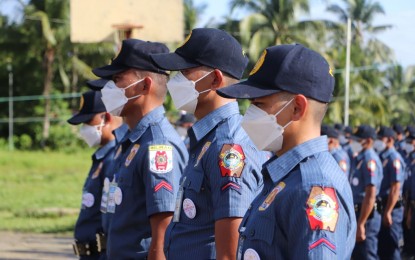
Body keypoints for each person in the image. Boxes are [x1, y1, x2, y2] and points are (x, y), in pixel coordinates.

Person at [217, 44, 357, 258]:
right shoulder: (288, 177)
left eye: (259, 104)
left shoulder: (312, 186)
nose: (250, 114)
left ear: (297, 108)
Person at [150, 28, 266, 259]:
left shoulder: (229, 147)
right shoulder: (208, 139)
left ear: (215, 79)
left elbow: (230, 253)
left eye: (186, 71)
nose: (176, 79)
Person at [92, 38, 188, 259]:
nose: (108, 88)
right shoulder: (134, 141)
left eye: (117, 79)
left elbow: (164, 222)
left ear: (144, 85)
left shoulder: (157, 145)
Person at [67, 90, 125, 259]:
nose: (84, 129)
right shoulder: (103, 157)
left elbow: (113, 215)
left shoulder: (115, 158)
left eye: (87, 122)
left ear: (106, 118)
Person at [349, 125, 383, 260]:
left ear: (368, 141)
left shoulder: (370, 160)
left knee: (367, 254)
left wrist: (361, 223)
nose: (355, 143)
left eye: (358, 140)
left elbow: (370, 194)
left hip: (367, 216)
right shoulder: (361, 157)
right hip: (359, 213)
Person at [376, 126, 406, 259]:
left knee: (392, 248)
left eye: (380, 138)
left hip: (392, 209)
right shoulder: (382, 156)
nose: (378, 141)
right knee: (383, 247)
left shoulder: (395, 159)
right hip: (383, 206)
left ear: (389, 140)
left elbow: (395, 188)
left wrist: (388, 211)